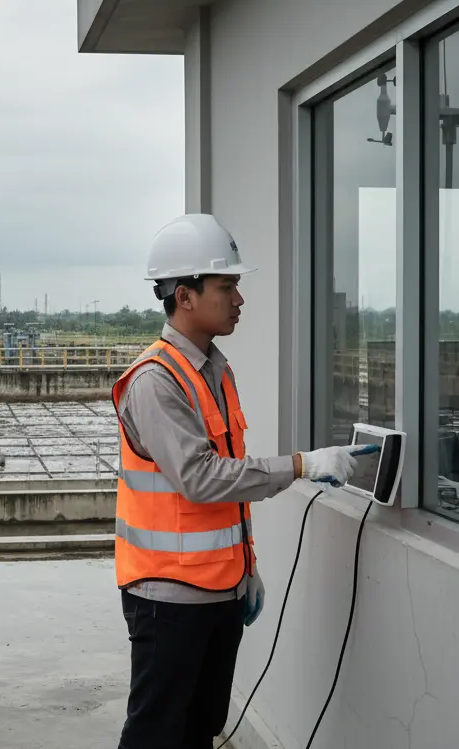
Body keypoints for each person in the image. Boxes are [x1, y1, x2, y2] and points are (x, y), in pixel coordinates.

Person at [114, 213, 364, 749]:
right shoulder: (156, 382)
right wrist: (301, 465)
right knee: (156, 735)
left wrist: (245, 569)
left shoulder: (215, 371)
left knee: (200, 729)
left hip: (218, 592)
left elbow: (227, 493)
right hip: (168, 598)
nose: (239, 299)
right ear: (184, 295)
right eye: (226, 286)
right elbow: (201, 479)